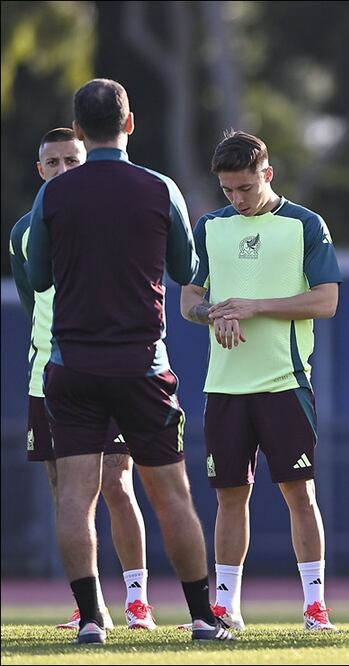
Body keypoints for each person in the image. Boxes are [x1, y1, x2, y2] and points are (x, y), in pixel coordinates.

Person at [25, 78, 232, 644]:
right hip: (143, 364)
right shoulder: (160, 187)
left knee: (76, 495)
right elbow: (186, 266)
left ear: (80, 131)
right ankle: (200, 617)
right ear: (130, 123)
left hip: (71, 366)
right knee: (172, 494)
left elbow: (39, 275)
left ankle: (91, 618)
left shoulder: (53, 194)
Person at [180, 131, 341, 632]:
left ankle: (315, 606)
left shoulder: (304, 224)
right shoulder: (208, 227)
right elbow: (188, 301)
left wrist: (255, 307)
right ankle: (226, 606)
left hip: (285, 383)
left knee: (300, 493)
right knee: (230, 496)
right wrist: (213, 314)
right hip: (225, 388)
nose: (237, 198)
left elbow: (327, 300)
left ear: (267, 175)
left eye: (245, 187)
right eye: (228, 190)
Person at [9, 128, 157, 632]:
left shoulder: (108, 215)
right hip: (49, 376)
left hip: (108, 366)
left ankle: (137, 600)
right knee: (65, 492)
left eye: (71, 159)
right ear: (41, 170)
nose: (62, 170)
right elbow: (34, 304)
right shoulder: (25, 231)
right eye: (52, 163)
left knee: (117, 482)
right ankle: (89, 606)